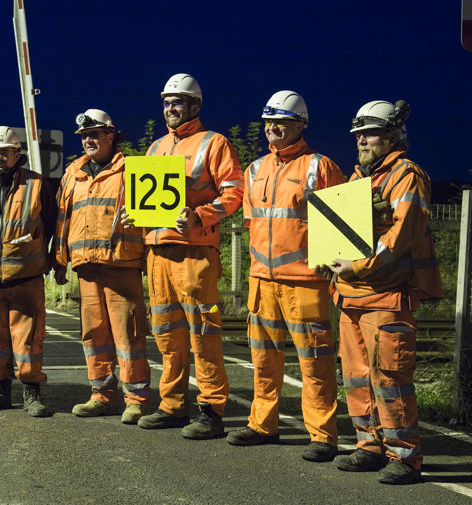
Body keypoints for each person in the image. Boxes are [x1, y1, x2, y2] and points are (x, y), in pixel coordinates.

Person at [315, 99, 442, 485]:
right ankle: (369, 446)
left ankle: (404, 456)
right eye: (358, 135)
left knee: (390, 377)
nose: (361, 140)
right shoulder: (358, 178)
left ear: (393, 136)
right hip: (351, 295)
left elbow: (403, 234)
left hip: (387, 296)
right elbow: (342, 232)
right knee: (356, 376)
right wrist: (326, 258)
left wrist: (359, 266)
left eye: (369, 134)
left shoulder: (406, 175)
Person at [225, 91, 345, 462]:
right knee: (263, 360)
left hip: (306, 283)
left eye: (281, 122)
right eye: (268, 122)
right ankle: (262, 425)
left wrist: (330, 263)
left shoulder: (320, 167)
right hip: (262, 281)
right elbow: (252, 224)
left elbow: (340, 226)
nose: (272, 128)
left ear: (300, 125)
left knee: (315, 362)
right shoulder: (254, 169)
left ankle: (323, 436)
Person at [125, 73, 244, 439]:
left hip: (194, 254)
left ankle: (211, 411)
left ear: (195, 105)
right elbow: (147, 200)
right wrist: (134, 215)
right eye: (166, 103)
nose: (170, 108)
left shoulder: (214, 143)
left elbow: (234, 193)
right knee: (167, 336)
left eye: (177, 102)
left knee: (203, 335)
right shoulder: (155, 148)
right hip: (158, 254)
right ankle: (173, 405)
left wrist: (199, 215)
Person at [54, 109, 151, 424]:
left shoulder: (133, 170)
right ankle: (101, 395)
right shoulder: (73, 173)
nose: (88, 140)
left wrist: (141, 225)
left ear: (111, 136)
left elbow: (153, 217)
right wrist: (59, 260)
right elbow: (62, 218)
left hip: (122, 263)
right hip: (87, 267)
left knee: (129, 335)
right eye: (84, 136)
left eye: (94, 134)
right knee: (93, 334)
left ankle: (135, 399)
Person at [0, 126, 56, 417]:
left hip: (25, 277)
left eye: (5, 152)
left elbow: (52, 225)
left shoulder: (36, 184)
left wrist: (52, 261)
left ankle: (31, 391)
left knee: (28, 338)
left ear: (18, 154)